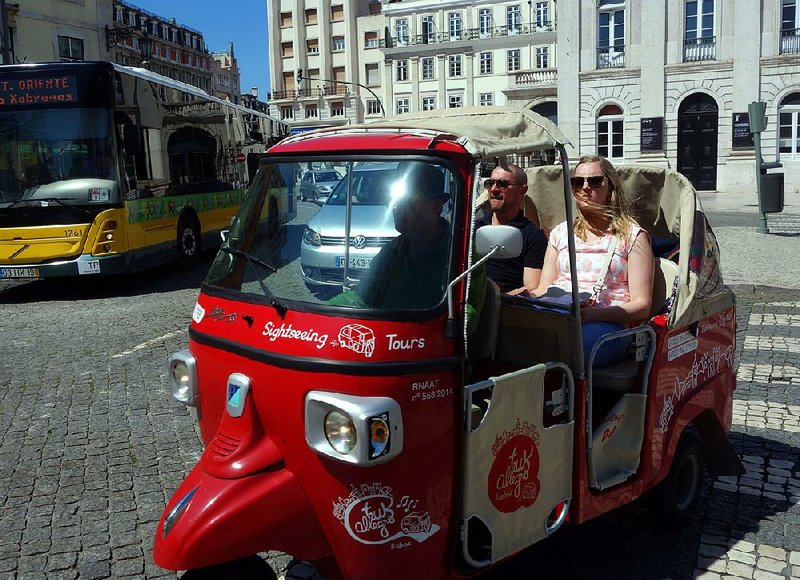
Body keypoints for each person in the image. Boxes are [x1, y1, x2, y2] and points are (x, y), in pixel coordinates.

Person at [528, 155, 654, 367]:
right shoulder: (561, 233)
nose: (585, 187)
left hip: (610, 325)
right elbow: (544, 288)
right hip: (560, 316)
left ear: (611, 186)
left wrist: (594, 314)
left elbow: (642, 305)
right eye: (578, 182)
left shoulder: (633, 236)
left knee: (571, 347)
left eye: (594, 181)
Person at [329, 162, 453, 310]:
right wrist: (320, 313)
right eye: (394, 202)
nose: (397, 210)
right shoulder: (391, 252)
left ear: (435, 207)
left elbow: (466, 318)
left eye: (408, 203)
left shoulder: (459, 254)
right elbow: (362, 296)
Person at [476, 162, 547, 294]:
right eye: (490, 183)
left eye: (503, 184)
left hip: (506, 307)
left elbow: (532, 285)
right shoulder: (472, 229)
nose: (494, 189)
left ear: (522, 191)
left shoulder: (533, 236)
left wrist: (497, 299)